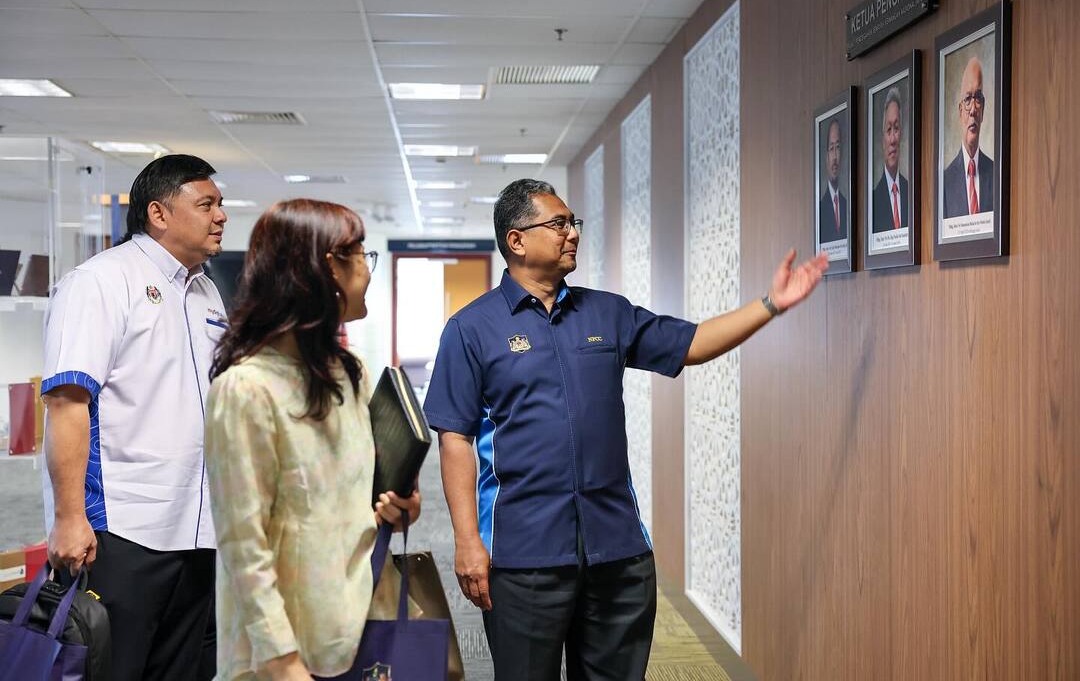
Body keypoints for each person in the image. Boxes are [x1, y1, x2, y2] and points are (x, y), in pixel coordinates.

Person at [423, 179, 828, 680]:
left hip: (616, 550)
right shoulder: (470, 329)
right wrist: (467, 541)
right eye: (558, 223)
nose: (573, 233)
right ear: (517, 240)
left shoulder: (607, 312)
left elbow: (692, 343)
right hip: (524, 555)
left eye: (573, 223)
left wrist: (771, 304)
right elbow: (455, 438)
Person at [204, 198, 421, 681]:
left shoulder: (350, 373)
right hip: (284, 651)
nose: (368, 270)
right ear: (326, 268)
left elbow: (361, 495)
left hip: (360, 626)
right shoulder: (247, 389)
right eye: (361, 255)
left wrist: (399, 505)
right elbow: (243, 547)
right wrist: (284, 662)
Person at [41, 154, 228, 680]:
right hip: (122, 531)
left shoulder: (206, 290)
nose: (221, 216)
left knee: (183, 672)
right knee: (112, 670)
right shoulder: (100, 281)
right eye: (206, 204)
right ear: (158, 214)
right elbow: (67, 403)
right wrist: (69, 518)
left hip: (197, 530)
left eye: (221, 205)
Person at [943, 56, 994, 218]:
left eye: (978, 98)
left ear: (983, 110)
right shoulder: (944, 182)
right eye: (967, 99)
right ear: (960, 112)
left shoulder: (996, 174)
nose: (972, 109)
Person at [872, 87, 910, 233]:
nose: (893, 139)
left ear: (901, 134)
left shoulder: (911, 193)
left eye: (896, 128)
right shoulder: (873, 200)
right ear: (883, 139)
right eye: (888, 130)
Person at [818, 117, 847, 243]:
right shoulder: (820, 209)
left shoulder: (847, 206)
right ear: (826, 157)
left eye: (838, 147)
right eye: (831, 149)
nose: (835, 156)